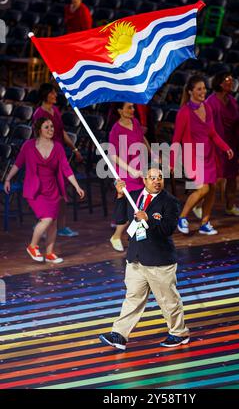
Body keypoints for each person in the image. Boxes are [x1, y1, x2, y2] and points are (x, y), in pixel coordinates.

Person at [99, 168, 190, 350]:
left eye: (160, 178)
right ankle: (119, 334)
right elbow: (119, 218)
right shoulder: (133, 196)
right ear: (144, 180)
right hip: (136, 259)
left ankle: (179, 333)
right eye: (152, 178)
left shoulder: (170, 202)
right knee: (132, 297)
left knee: (168, 300)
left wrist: (148, 219)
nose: (157, 181)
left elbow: (168, 229)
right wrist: (119, 196)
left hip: (160, 260)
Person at [4, 117, 85, 264]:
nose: (50, 130)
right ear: (39, 129)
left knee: (53, 221)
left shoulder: (58, 147)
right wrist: (8, 179)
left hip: (52, 189)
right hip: (35, 189)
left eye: (52, 127)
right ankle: (32, 246)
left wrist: (77, 186)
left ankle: (49, 253)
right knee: (47, 219)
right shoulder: (28, 146)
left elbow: (66, 169)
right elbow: (18, 163)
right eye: (47, 127)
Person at [172, 74, 233, 236]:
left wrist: (225, 147)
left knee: (212, 188)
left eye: (204, 88)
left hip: (209, 154)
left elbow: (212, 133)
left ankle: (205, 223)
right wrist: (172, 162)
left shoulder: (207, 108)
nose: (203, 91)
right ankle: (182, 217)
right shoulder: (184, 112)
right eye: (199, 89)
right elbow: (176, 140)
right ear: (191, 91)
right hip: (193, 156)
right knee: (203, 188)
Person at [33, 82, 83, 237]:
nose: (55, 96)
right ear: (46, 95)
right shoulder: (38, 114)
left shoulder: (55, 110)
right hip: (47, 159)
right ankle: (44, 225)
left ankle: (62, 226)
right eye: (52, 93)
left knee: (62, 193)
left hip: (59, 156)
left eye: (56, 93)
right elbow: (38, 139)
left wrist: (74, 149)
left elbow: (62, 133)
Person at [109, 102, 150, 252]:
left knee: (140, 207)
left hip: (139, 170)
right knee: (133, 209)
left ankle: (135, 239)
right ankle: (117, 236)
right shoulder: (116, 130)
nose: (133, 110)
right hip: (125, 173)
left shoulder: (135, 122)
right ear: (120, 110)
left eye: (133, 107)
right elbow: (113, 155)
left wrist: (151, 153)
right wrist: (130, 170)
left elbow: (142, 138)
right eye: (129, 107)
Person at [206, 72, 239, 216]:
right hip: (215, 145)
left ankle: (230, 206)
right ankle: (202, 205)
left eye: (232, 81)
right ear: (219, 83)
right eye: (227, 81)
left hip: (231, 143)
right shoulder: (211, 102)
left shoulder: (233, 102)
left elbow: (236, 123)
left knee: (232, 176)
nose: (231, 84)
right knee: (217, 178)